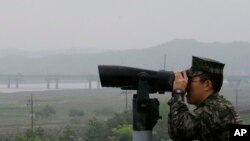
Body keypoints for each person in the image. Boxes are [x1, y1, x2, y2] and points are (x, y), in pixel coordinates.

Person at [168, 56, 242, 141]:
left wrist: (178, 92)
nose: (186, 86)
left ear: (207, 84)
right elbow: (175, 132)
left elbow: (179, 131)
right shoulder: (215, 105)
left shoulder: (217, 109)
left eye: (190, 81)